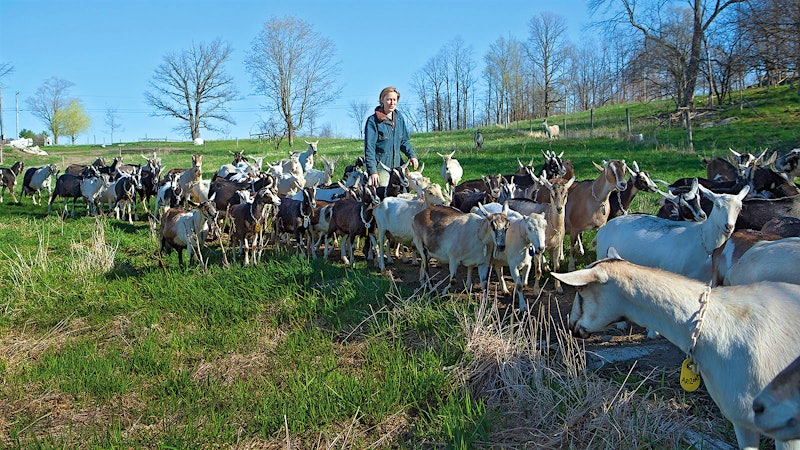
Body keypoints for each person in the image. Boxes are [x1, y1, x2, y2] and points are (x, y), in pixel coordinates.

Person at [364, 86, 418, 187]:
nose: (392, 102)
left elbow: (404, 141)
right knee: (384, 192)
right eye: (389, 99)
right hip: (381, 167)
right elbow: (369, 148)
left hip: (398, 167)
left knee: (408, 190)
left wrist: (412, 156)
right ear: (382, 100)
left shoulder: (399, 118)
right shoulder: (373, 121)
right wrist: (373, 171)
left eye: (394, 99)